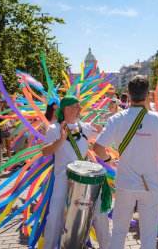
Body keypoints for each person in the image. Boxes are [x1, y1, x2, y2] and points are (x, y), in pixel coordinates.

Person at [93, 75, 158, 249]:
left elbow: (98, 148)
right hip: (150, 185)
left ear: (128, 94)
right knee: (149, 236)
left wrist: (109, 159)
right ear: (148, 94)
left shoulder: (116, 119)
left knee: (119, 232)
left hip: (125, 183)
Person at [42, 95, 110, 249]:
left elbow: (106, 134)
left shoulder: (84, 127)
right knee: (54, 216)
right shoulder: (54, 128)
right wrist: (60, 140)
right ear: (66, 109)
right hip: (63, 179)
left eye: (79, 106)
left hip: (86, 181)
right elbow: (44, 152)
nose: (80, 109)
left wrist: (104, 128)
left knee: (100, 213)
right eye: (76, 107)